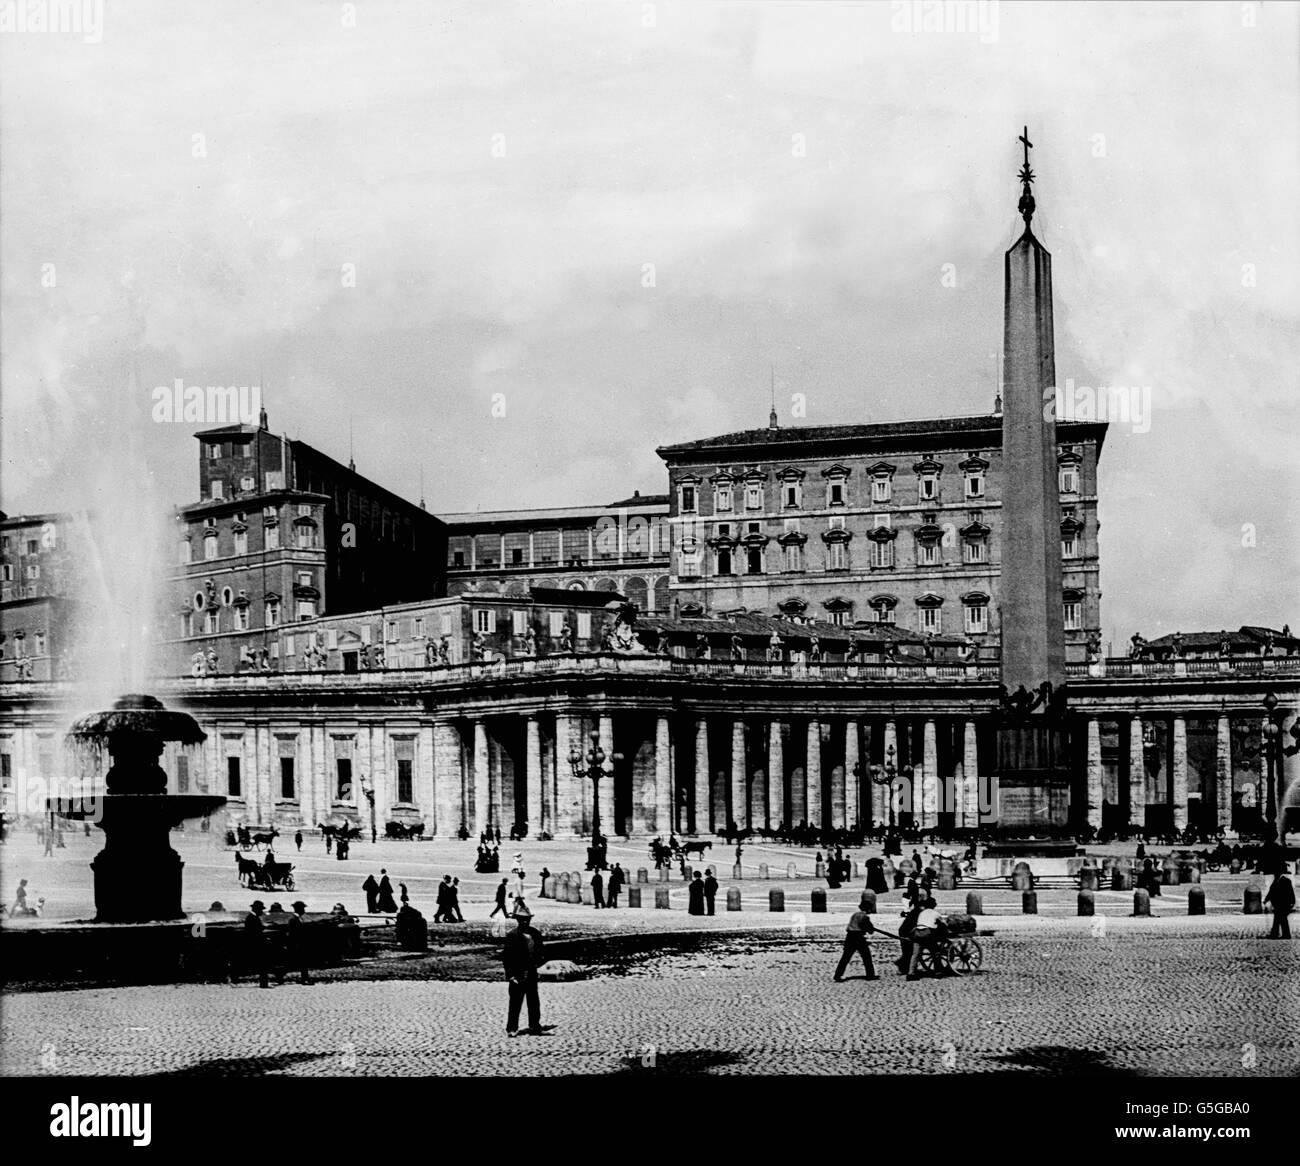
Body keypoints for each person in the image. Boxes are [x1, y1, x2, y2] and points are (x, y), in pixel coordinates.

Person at [502, 906, 548, 1037]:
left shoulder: (535, 934)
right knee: (515, 1003)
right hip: (517, 973)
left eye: (527, 919)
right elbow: (507, 957)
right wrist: (510, 975)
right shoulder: (512, 935)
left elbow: (541, 951)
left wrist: (538, 964)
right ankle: (512, 1028)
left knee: (533, 1002)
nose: (525, 922)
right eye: (522, 919)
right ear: (517, 920)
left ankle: (535, 1026)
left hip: (531, 972)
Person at [833, 903, 879, 982]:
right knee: (866, 956)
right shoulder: (865, 917)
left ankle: (838, 975)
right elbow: (869, 929)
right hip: (858, 937)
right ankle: (870, 974)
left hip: (849, 936)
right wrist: (871, 929)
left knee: (846, 957)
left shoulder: (855, 914)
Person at [244, 900, 282, 988]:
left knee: (263, 965)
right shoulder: (252, 918)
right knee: (263, 965)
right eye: (260, 909)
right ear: (257, 909)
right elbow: (255, 932)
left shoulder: (252, 917)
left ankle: (264, 982)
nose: (262, 911)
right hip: (257, 945)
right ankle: (264, 983)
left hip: (257, 943)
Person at [906, 897, 944, 981]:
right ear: (934, 906)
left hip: (917, 933)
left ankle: (910, 974)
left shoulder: (921, 913)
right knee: (935, 952)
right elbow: (943, 924)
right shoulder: (936, 913)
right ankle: (938, 972)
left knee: (915, 954)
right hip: (927, 934)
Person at [286, 900, 311, 985]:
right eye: (303, 908)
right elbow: (293, 934)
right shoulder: (294, 920)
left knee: (302, 963)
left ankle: (305, 979)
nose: (304, 910)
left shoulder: (297, 919)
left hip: (300, 944)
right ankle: (304, 980)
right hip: (298, 944)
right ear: (299, 909)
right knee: (302, 963)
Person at [1264, 870, 1295, 939]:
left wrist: (1292, 902)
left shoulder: (1286, 881)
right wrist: (1266, 899)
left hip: (1284, 904)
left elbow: (1290, 891)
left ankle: (1281, 934)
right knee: (1279, 919)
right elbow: (1271, 891)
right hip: (1277, 904)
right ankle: (1278, 934)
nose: (1274, 875)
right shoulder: (1276, 881)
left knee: (1281, 919)